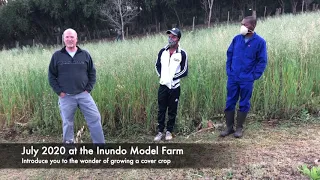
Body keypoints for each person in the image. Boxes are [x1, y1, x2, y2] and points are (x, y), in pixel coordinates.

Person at [48, 28, 105, 144]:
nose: (69, 39)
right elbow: (51, 76)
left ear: (76, 39)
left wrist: (88, 89)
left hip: (84, 95)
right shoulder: (57, 56)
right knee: (67, 123)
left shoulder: (84, 55)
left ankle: (100, 146)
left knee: (95, 118)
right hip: (66, 97)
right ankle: (69, 151)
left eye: (72, 37)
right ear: (64, 39)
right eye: (67, 37)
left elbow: (92, 73)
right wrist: (59, 92)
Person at [220, 16, 268, 138]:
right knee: (230, 101)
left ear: (251, 26)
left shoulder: (260, 42)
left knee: (244, 102)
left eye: (244, 24)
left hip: (247, 78)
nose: (241, 26)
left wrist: (254, 76)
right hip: (233, 77)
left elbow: (262, 61)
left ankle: (239, 128)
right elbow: (229, 54)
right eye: (241, 24)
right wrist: (229, 71)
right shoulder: (236, 39)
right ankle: (229, 127)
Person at [154, 28, 188, 141]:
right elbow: (157, 65)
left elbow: (184, 71)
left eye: (173, 37)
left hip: (174, 87)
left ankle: (169, 131)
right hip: (163, 86)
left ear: (178, 38)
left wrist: (172, 78)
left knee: (172, 110)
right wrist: (162, 76)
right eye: (169, 36)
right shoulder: (162, 51)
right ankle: (160, 132)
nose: (170, 38)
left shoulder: (182, 53)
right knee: (161, 110)